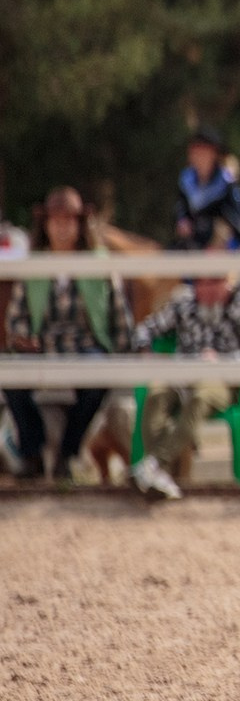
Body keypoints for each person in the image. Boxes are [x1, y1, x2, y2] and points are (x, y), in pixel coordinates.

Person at [2, 187, 133, 483]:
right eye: (55, 221)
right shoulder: (34, 266)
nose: (62, 227)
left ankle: (69, 451)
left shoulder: (98, 264)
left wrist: (124, 352)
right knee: (9, 374)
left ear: (79, 224)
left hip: (86, 346)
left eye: (68, 220)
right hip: (44, 347)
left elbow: (118, 311)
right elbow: (17, 317)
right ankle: (31, 451)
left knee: (97, 376)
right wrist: (23, 338)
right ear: (46, 225)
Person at [127, 271, 240, 499]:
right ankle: (157, 475)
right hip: (181, 374)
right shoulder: (184, 303)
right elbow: (143, 331)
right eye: (201, 283)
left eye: (214, 282)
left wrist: (223, 360)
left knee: (201, 398)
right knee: (156, 395)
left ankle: (152, 466)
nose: (207, 289)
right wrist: (146, 353)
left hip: (223, 380)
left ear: (228, 283)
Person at [173, 126, 240, 250]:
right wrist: (182, 221)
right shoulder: (186, 180)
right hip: (193, 245)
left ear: (213, 153)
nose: (197, 155)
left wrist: (223, 235)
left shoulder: (226, 183)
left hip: (224, 248)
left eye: (202, 151)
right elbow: (181, 208)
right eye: (194, 150)